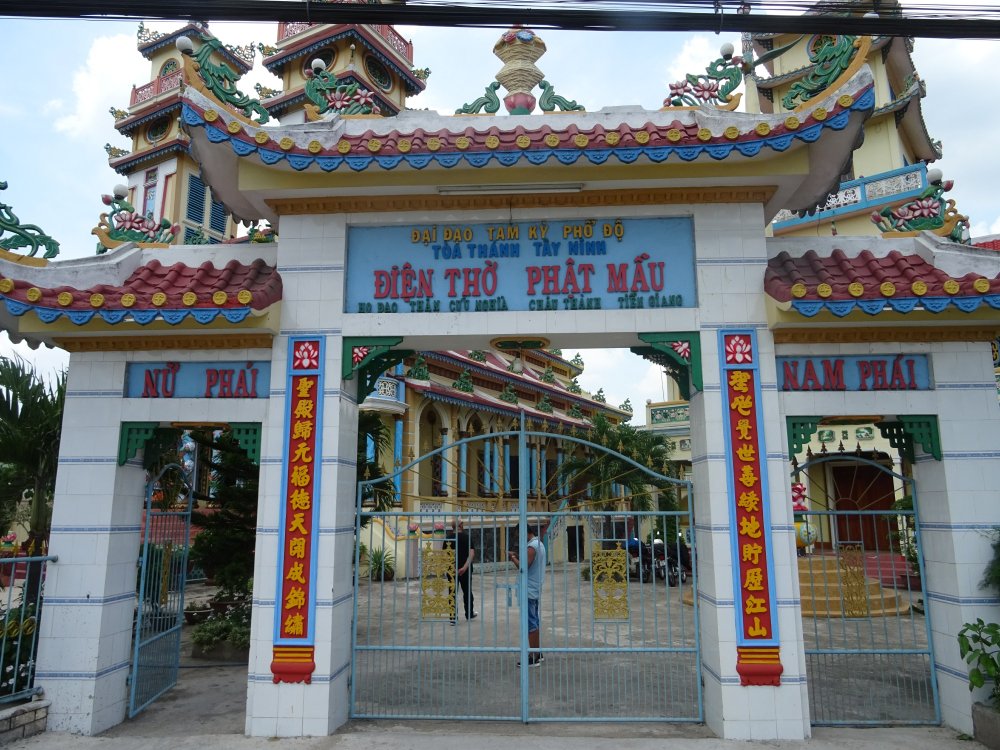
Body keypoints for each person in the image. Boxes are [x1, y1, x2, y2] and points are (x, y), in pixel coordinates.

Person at [508, 523, 546, 667]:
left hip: (528, 590)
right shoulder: (538, 544)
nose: (518, 539)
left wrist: (513, 558)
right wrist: (517, 555)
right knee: (534, 622)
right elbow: (530, 560)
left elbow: (524, 567)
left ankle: (533, 656)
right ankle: (537, 652)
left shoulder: (532, 547)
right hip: (533, 589)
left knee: (531, 624)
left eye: (518, 535)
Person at [444, 517, 477, 623]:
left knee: (452, 593)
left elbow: (445, 555)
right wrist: (464, 568)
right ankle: (469, 614)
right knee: (467, 591)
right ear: (460, 525)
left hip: (452, 570)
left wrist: (453, 568)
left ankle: (453, 618)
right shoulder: (467, 537)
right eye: (463, 523)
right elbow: (471, 554)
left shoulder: (448, 538)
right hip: (466, 570)